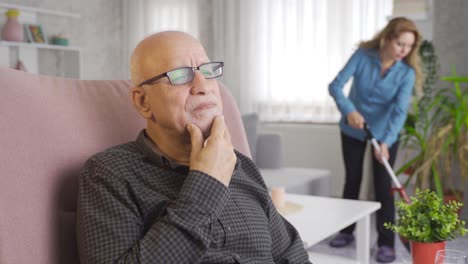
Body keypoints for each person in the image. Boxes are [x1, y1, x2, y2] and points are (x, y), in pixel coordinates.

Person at [76, 31, 311, 264]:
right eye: (180, 75)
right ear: (143, 101)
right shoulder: (109, 174)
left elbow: (292, 256)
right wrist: (208, 182)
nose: (203, 85)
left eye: (208, 72)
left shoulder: (243, 166)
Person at [328, 17, 423, 263]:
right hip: (353, 128)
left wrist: (386, 141)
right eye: (400, 43)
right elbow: (336, 85)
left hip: (384, 133)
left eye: (409, 46)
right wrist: (349, 111)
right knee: (353, 180)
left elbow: (399, 111)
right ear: (387, 38)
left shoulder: (406, 73)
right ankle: (347, 231)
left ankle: (385, 242)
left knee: (383, 187)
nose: (404, 50)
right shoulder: (363, 55)